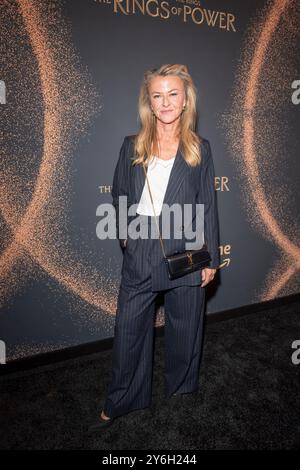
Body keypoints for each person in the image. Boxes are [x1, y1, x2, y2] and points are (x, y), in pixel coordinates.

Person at [88, 64, 220, 431]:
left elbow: (207, 202)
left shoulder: (200, 149)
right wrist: (126, 238)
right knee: (129, 331)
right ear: (149, 102)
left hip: (188, 249)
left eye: (173, 94)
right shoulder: (132, 145)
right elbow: (119, 195)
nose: (165, 102)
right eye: (157, 95)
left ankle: (181, 389)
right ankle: (122, 398)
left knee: (186, 327)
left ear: (185, 101)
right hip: (143, 248)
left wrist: (210, 256)